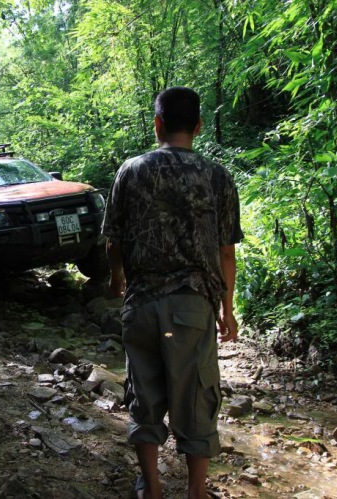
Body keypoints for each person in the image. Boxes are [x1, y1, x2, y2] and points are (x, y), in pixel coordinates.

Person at [103, 87, 244, 499]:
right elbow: (225, 252)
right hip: (192, 305)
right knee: (197, 397)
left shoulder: (130, 170)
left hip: (142, 302)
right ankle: (197, 491)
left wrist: (118, 280)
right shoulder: (217, 176)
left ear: (157, 124)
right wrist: (227, 309)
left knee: (143, 394)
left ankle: (151, 488)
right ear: (199, 126)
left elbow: (113, 241)